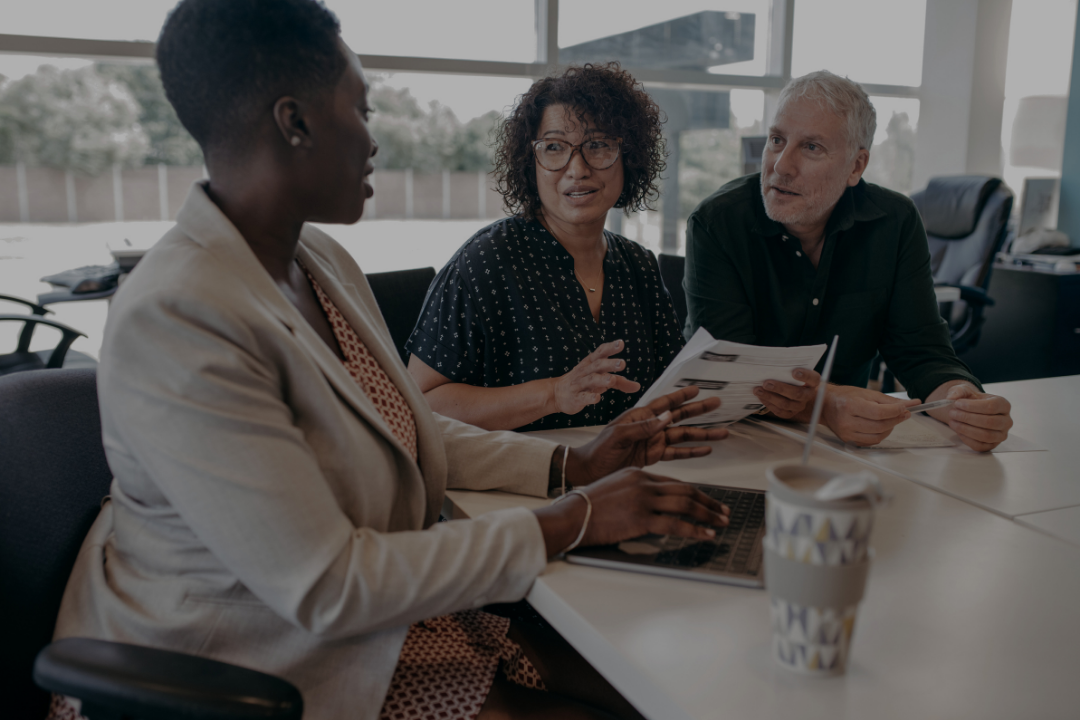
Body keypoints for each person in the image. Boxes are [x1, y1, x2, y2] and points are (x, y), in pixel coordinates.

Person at [49, 3, 732, 720]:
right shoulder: (179, 314)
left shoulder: (320, 260)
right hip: (248, 659)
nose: (373, 140)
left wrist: (574, 468)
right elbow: (327, 585)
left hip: (379, 620)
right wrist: (573, 518)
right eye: (362, 109)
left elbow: (405, 425)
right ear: (295, 122)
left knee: (643, 684)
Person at [683, 70, 1013, 451]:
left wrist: (961, 399)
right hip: (736, 438)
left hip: (847, 447)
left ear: (856, 167)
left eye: (811, 148)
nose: (780, 166)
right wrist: (825, 404)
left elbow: (921, 350)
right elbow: (733, 374)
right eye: (777, 140)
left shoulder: (895, 222)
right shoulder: (717, 222)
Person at [405, 64, 687, 432]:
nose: (577, 168)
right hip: (518, 480)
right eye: (554, 147)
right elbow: (420, 402)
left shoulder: (639, 265)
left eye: (598, 144)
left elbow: (675, 386)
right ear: (530, 162)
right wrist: (554, 394)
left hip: (623, 473)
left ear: (629, 156)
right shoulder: (486, 262)